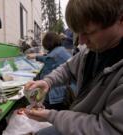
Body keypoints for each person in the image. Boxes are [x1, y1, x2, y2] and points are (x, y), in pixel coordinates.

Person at [24, 0, 123, 134]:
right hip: (78, 120)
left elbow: (107, 129)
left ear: (120, 20)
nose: (81, 41)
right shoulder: (90, 51)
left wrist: (52, 116)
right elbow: (68, 68)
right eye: (77, 33)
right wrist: (48, 82)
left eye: (88, 32)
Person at [27, 32, 73, 111]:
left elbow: (46, 61)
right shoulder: (60, 50)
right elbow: (46, 56)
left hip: (57, 96)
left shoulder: (53, 55)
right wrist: (36, 56)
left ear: (47, 43)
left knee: (38, 105)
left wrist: (34, 80)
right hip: (66, 91)